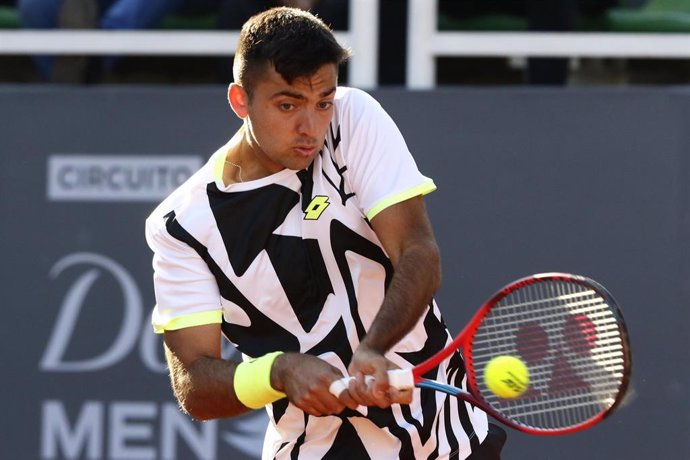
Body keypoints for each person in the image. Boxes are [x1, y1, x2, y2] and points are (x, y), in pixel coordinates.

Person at [145, 7, 505, 459]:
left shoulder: (352, 117)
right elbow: (195, 384)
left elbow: (417, 251)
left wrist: (375, 347)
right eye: (287, 104)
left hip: (450, 443)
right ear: (241, 101)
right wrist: (278, 372)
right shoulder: (181, 226)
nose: (310, 127)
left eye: (323, 102)